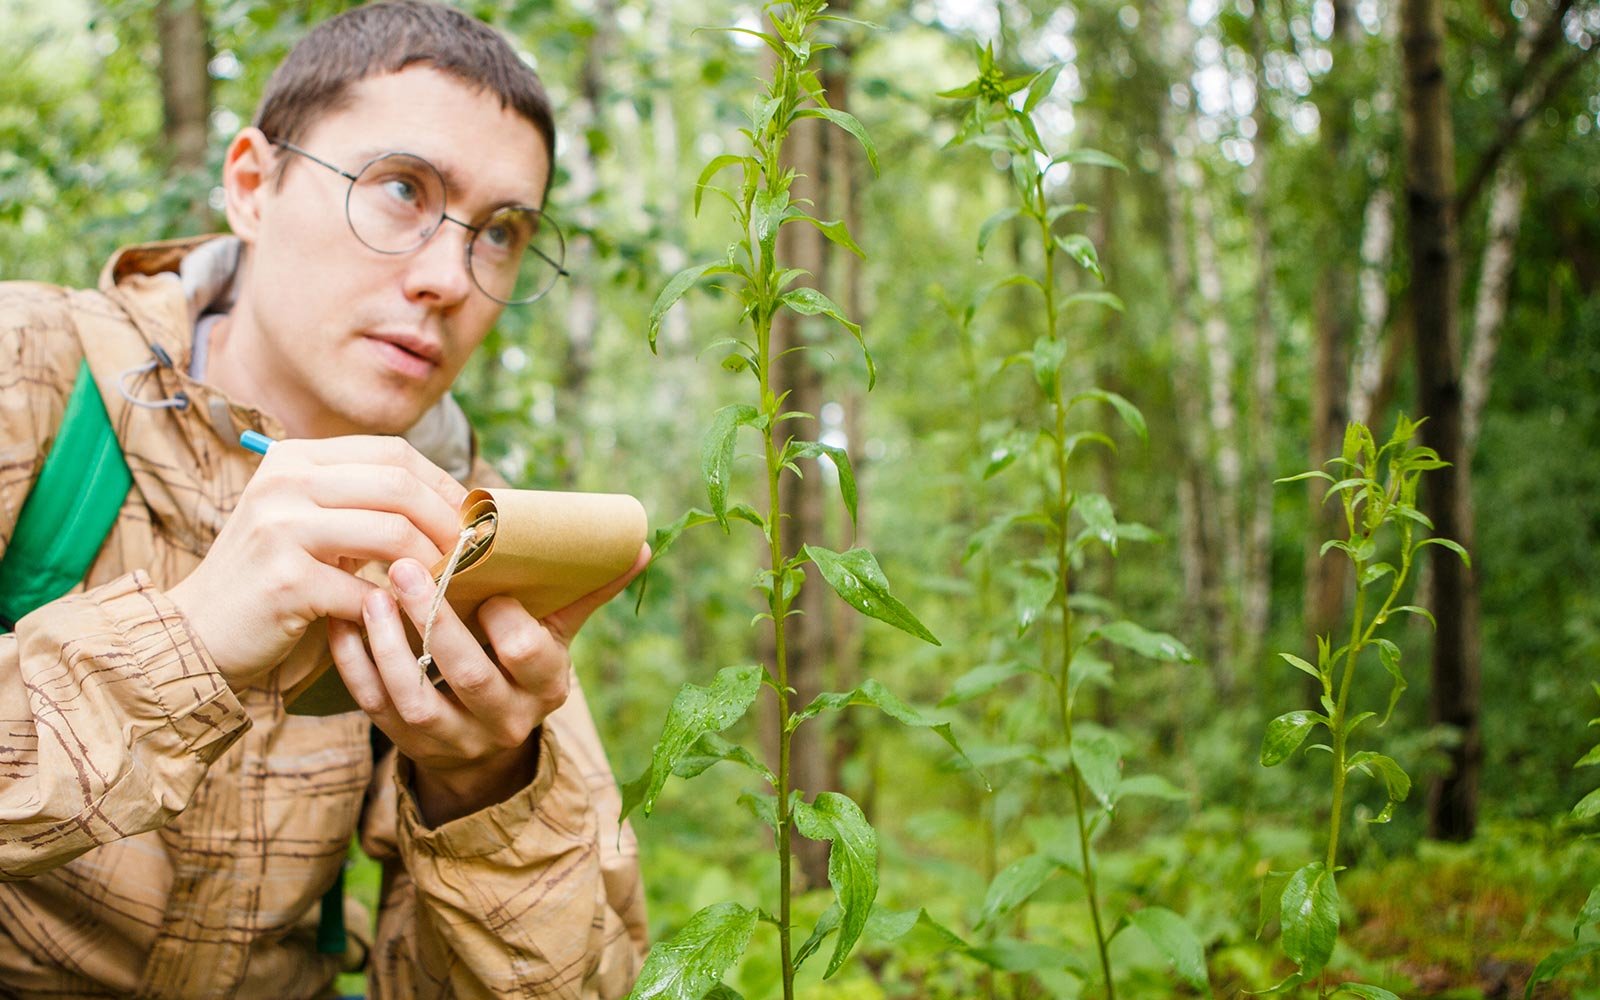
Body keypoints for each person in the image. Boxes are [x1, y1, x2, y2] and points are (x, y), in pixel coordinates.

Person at [0, 2, 649, 996]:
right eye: (401, 190)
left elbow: (588, 982)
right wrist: (192, 644)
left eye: (502, 232)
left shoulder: (466, 533)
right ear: (253, 186)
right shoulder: (32, 373)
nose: (448, 277)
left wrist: (483, 788)